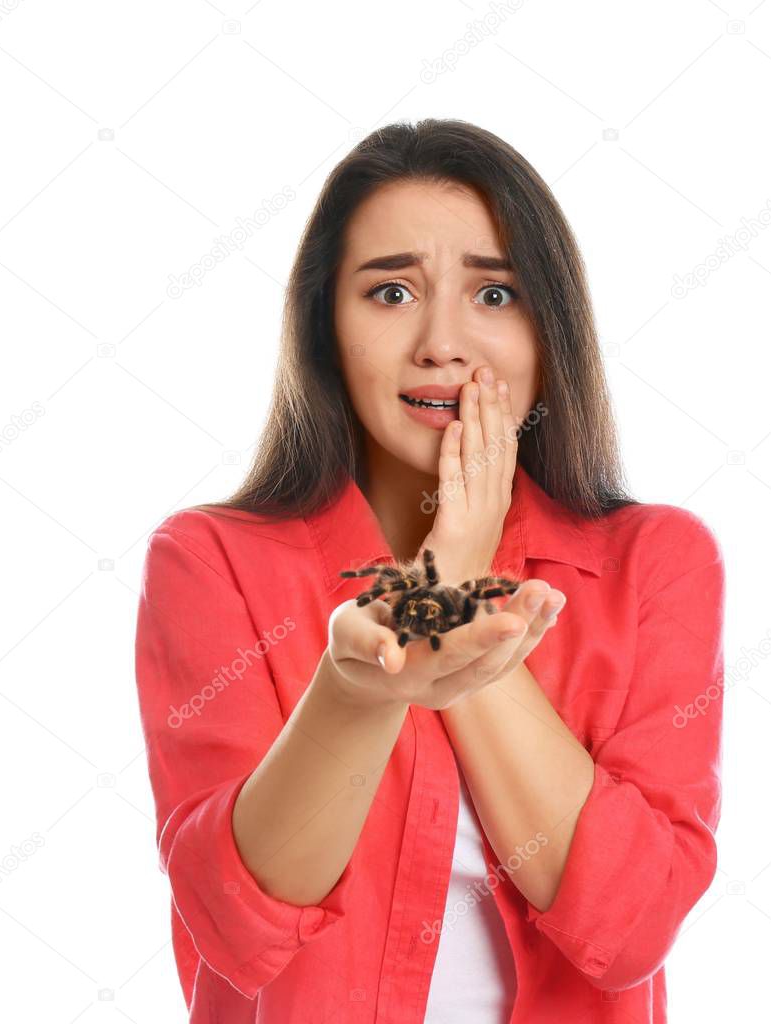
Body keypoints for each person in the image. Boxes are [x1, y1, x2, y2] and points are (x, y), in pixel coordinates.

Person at [134, 118, 726, 1023]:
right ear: (326, 327)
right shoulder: (212, 561)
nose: (443, 344)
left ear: (550, 330)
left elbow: (631, 924)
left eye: (495, 295)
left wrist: (454, 578)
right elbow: (237, 928)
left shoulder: (658, 562)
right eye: (391, 292)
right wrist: (427, 600)